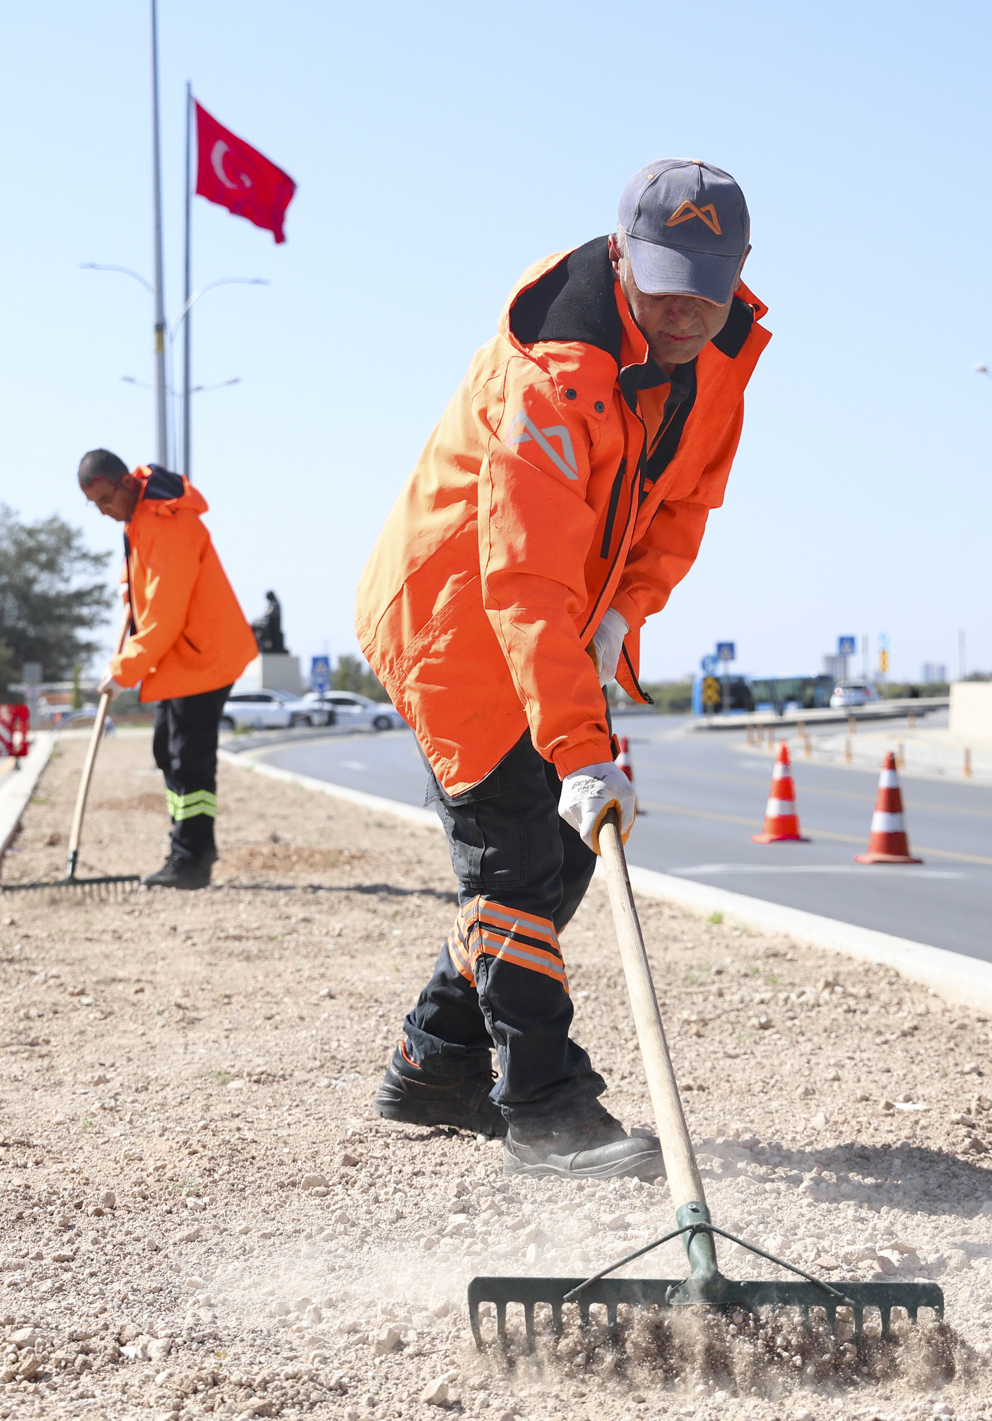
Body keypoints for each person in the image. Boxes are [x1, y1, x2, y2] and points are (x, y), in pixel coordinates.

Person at [355, 160, 770, 1180]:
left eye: (710, 288)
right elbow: (522, 576)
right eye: (669, 284)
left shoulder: (719, 351)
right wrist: (580, 748)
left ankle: (436, 1058)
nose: (688, 313)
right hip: (456, 616)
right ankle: (544, 1107)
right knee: (510, 864)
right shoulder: (549, 371)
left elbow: (683, 504)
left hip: (561, 613)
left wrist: (627, 607)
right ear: (622, 252)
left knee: (571, 857)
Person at [79, 449, 258, 889]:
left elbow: (165, 616)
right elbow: (147, 584)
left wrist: (123, 670)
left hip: (203, 655)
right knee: (167, 750)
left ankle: (191, 860)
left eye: (105, 500)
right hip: (181, 657)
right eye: (94, 505)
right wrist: (129, 593)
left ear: (123, 484)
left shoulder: (168, 521)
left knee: (188, 758)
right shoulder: (139, 516)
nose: (103, 512)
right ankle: (192, 846)